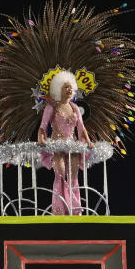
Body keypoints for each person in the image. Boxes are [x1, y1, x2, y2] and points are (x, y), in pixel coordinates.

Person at [36, 68, 93, 215]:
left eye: (70, 87)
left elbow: (81, 128)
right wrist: (41, 138)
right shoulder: (51, 107)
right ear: (58, 89)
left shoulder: (74, 107)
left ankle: (75, 209)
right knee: (60, 176)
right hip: (57, 146)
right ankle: (60, 210)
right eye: (65, 87)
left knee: (73, 177)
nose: (68, 89)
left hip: (72, 146)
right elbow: (43, 126)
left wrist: (88, 141)